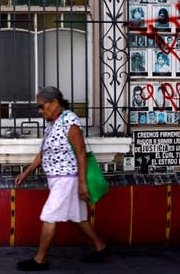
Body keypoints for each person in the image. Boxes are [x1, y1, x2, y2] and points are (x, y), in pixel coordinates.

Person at [14, 86, 108, 271]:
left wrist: (82, 183)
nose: (40, 111)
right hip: (57, 178)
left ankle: (40, 260)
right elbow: (43, 153)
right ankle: (100, 247)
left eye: (42, 106)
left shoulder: (69, 120)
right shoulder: (51, 123)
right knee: (78, 217)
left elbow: (81, 152)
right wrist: (27, 172)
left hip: (68, 178)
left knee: (49, 215)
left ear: (55, 103)